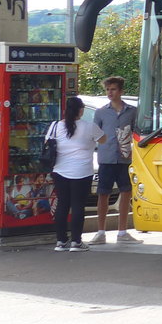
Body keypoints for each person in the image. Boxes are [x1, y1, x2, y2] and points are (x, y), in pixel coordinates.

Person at [49, 96, 105, 252]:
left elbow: (48, 142)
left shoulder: (55, 126)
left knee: (62, 205)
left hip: (59, 171)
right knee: (78, 206)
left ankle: (60, 241)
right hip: (82, 172)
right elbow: (104, 139)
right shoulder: (89, 126)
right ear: (81, 110)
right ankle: (76, 242)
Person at [90, 76, 141, 245]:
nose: (109, 93)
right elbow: (95, 133)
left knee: (126, 192)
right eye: (107, 90)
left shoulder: (132, 111)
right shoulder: (101, 112)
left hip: (124, 158)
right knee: (103, 193)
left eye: (113, 89)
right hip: (106, 157)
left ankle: (122, 231)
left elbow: (137, 133)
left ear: (121, 91)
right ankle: (101, 231)